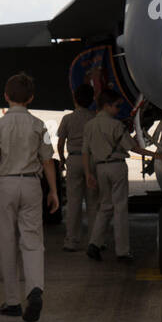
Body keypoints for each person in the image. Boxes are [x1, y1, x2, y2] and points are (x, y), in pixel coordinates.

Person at [0, 72, 59, 322]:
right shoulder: (40, 125)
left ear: (6, 97)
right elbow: (47, 160)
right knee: (32, 240)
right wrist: (53, 190)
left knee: (7, 242)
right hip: (32, 185)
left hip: (7, 185)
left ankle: (12, 301)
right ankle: (34, 289)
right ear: (31, 98)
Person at [82, 90, 161, 262]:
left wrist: (88, 173)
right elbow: (132, 148)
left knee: (105, 206)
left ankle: (94, 244)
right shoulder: (115, 125)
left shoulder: (89, 125)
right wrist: (157, 155)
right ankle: (122, 252)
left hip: (99, 168)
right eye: (117, 106)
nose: (118, 110)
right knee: (120, 209)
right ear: (107, 105)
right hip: (116, 167)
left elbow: (85, 152)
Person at [57, 84, 98, 252]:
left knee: (74, 202)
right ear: (92, 99)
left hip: (73, 159)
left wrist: (62, 160)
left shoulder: (68, 119)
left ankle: (71, 241)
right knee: (93, 202)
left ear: (75, 99)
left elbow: (60, 144)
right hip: (92, 159)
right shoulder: (95, 118)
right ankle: (95, 240)